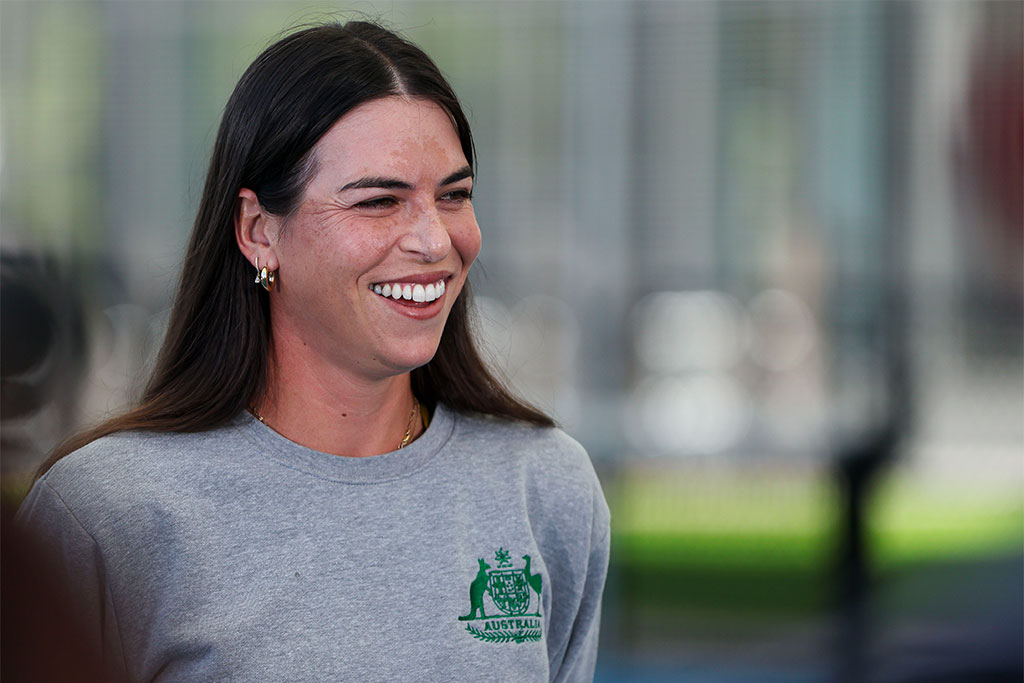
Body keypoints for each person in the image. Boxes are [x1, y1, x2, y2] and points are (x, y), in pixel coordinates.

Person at [14, 21, 610, 682]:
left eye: (454, 196)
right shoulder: (107, 512)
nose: (434, 240)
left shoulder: (544, 486)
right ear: (259, 231)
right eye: (380, 200)